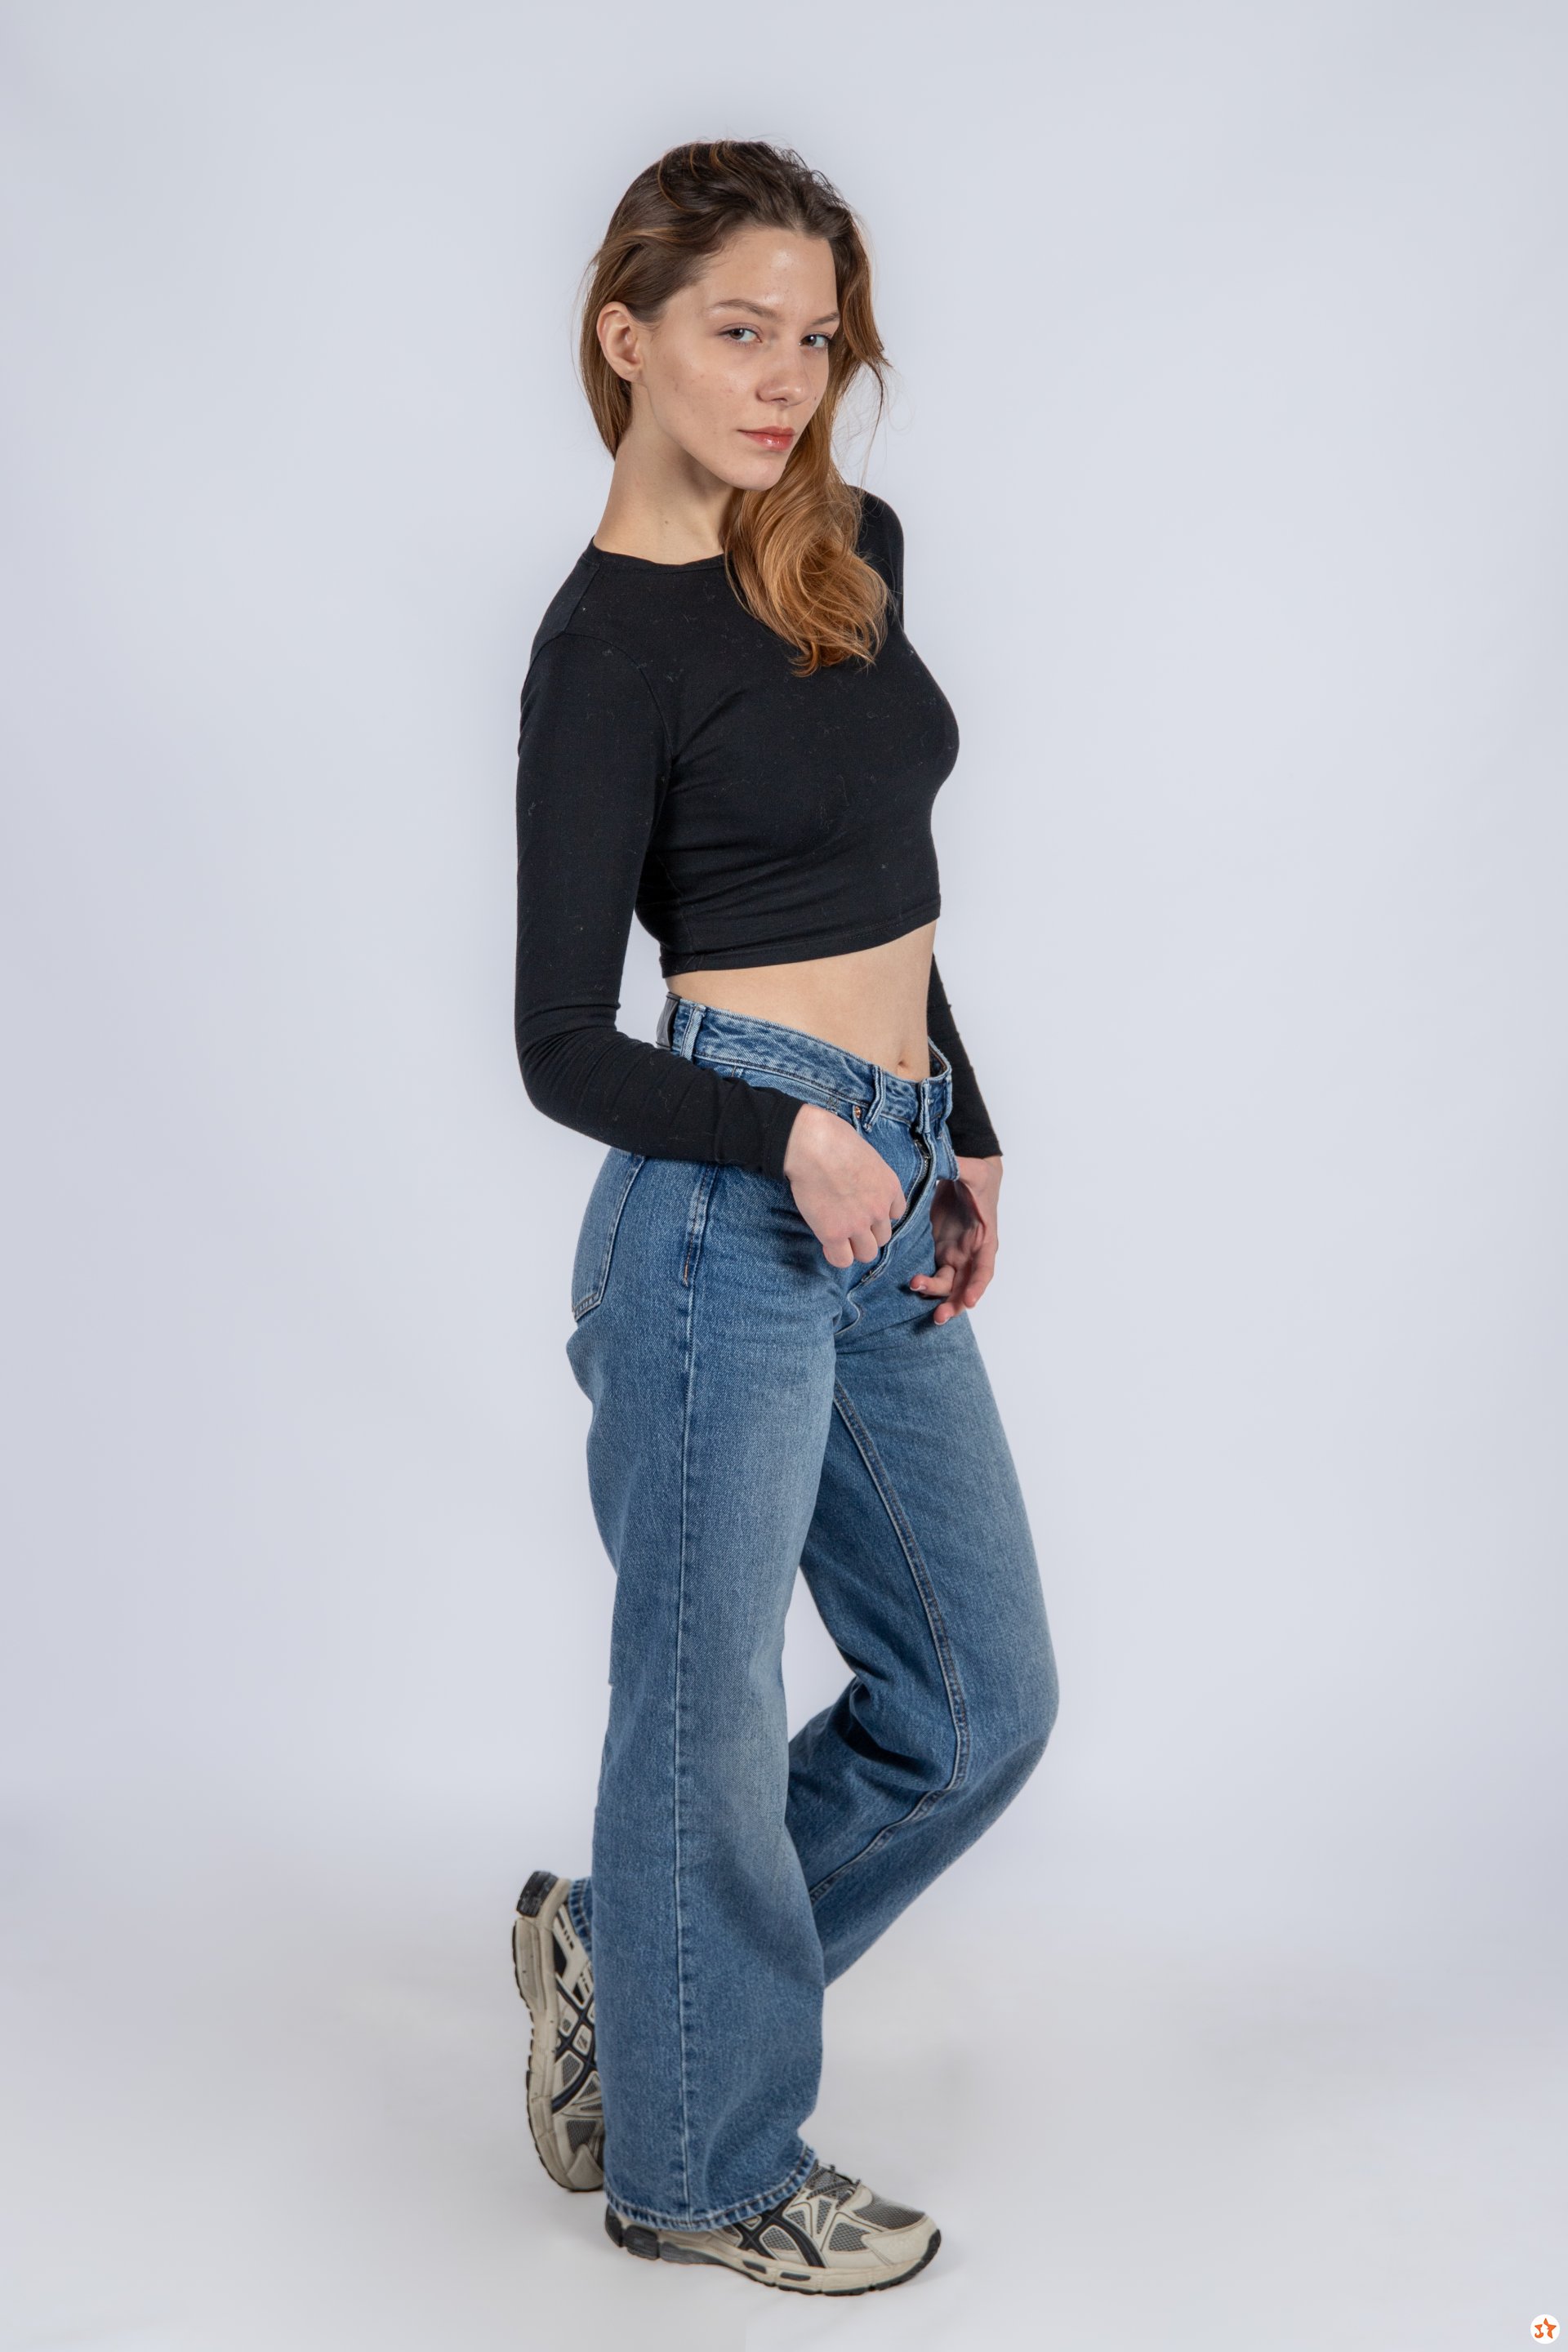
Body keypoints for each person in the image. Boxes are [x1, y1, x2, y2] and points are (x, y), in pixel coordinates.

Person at [509, 139, 1058, 2298]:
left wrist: (957, 1120)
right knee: (707, 1712)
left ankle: (635, 1987)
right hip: (720, 1217)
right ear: (626, 335)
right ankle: (701, 2167)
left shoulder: (850, 552)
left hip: (889, 1167)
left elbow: (875, 882)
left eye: (816, 338)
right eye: (738, 330)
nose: (783, 379)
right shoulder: (602, 650)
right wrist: (786, 1137)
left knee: (979, 1699)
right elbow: (561, 1044)